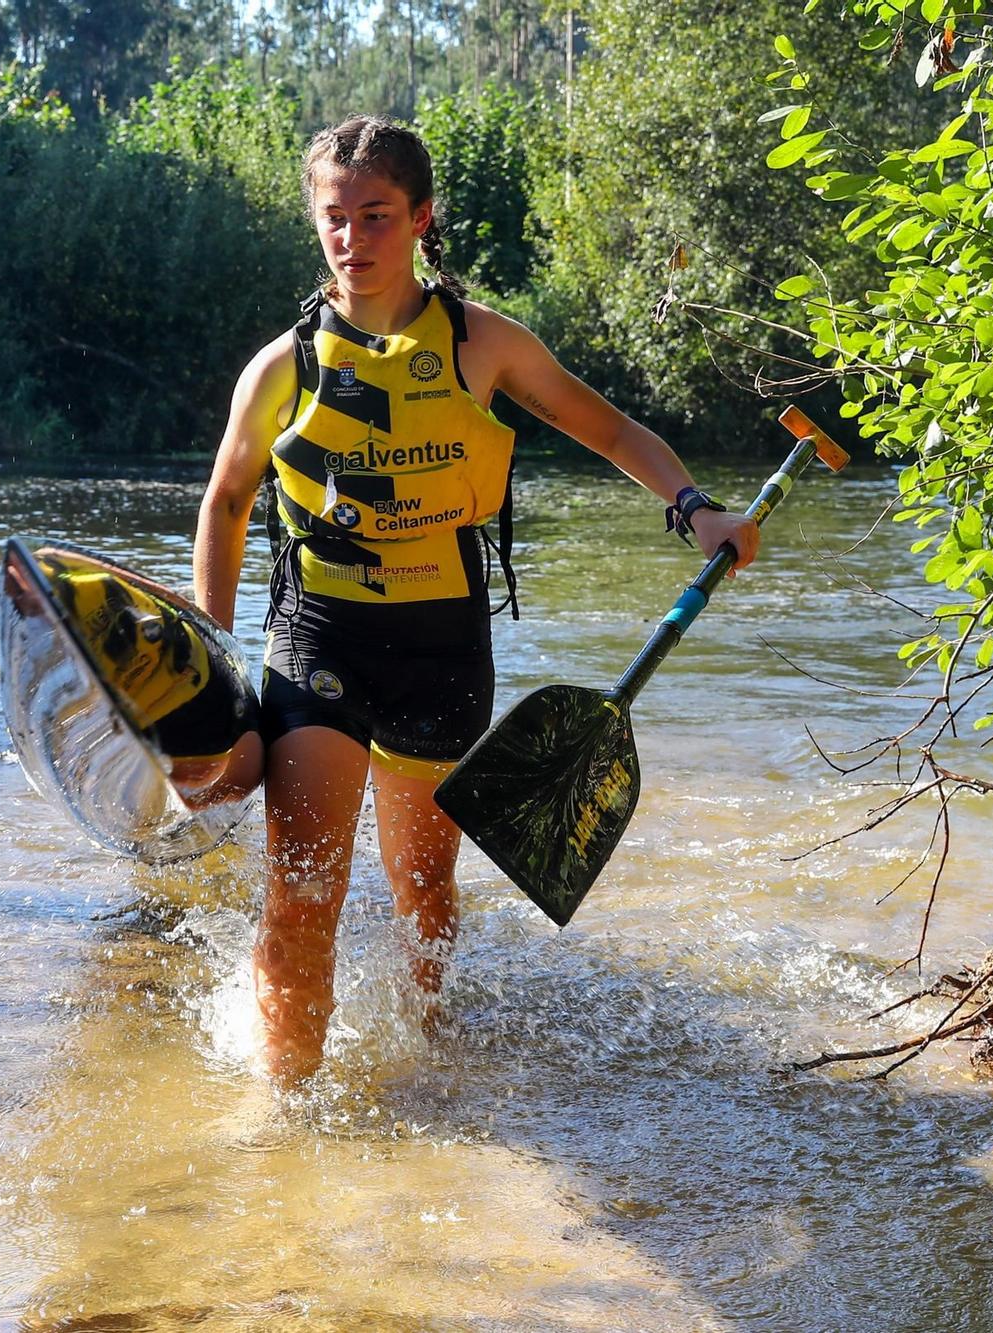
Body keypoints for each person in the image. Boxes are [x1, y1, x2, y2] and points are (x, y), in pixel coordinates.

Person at [192, 115, 762, 1084]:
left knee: (422, 886)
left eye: (375, 215)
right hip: (317, 633)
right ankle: (281, 1119)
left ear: (419, 219)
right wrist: (211, 663)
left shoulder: (482, 344)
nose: (352, 238)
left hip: (440, 646)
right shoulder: (284, 363)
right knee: (299, 895)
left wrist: (695, 507)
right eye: (334, 217)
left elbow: (611, 430)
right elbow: (227, 500)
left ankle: (425, 1053)